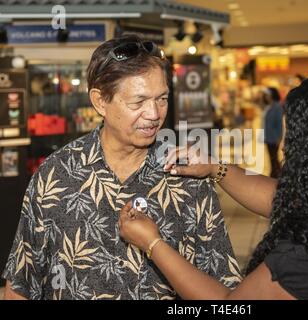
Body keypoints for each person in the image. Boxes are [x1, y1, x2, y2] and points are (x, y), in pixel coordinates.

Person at [119, 65, 308, 300]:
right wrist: (215, 167)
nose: (284, 146)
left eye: (297, 137)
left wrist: (153, 243)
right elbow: (290, 201)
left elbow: (230, 303)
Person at [2, 35, 240, 300]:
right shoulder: (56, 175)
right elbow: (21, 285)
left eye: (162, 99)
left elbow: (225, 293)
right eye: (138, 102)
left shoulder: (188, 177)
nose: (154, 114)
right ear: (100, 101)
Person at [261, 87, 284, 178]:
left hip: (274, 138)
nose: (266, 97)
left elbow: (279, 123)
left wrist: (279, 137)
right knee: (272, 159)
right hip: (269, 137)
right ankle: (275, 175)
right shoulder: (269, 106)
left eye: (267, 95)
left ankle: (276, 176)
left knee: (274, 159)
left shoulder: (277, 106)